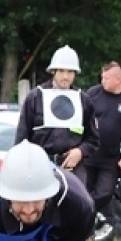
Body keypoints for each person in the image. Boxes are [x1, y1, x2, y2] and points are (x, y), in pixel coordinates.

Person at [16, 45, 99, 173]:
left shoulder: (84, 100)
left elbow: (93, 139)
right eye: (61, 71)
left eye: (70, 72)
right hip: (39, 167)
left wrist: (80, 151)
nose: (65, 76)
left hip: (73, 168)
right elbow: (21, 139)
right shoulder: (35, 97)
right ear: (53, 71)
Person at [81, 60, 121, 241]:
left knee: (105, 192)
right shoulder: (92, 94)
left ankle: (93, 216)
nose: (103, 81)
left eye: (106, 78)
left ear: (117, 79)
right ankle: (85, 227)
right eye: (102, 77)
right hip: (89, 153)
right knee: (83, 191)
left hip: (111, 156)